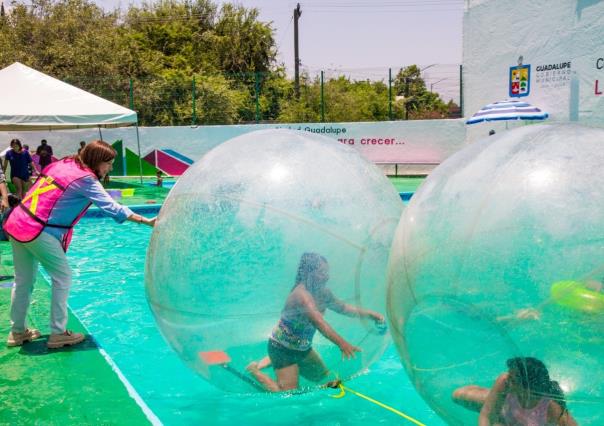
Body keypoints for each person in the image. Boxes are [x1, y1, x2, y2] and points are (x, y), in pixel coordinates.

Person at [4, 140, 156, 349]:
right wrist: (147, 221)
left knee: (23, 281)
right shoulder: (86, 179)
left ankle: (17, 332)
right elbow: (112, 207)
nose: (110, 168)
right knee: (63, 276)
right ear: (97, 161)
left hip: (17, 221)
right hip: (38, 230)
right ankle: (58, 334)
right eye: (108, 163)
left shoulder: (64, 164)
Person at [246, 252, 385, 392]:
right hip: (282, 349)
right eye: (322, 272)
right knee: (289, 393)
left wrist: (371, 314)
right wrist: (343, 344)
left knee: (325, 379)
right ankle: (254, 371)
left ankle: (271, 360)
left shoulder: (323, 293)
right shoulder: (301, 296)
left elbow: (343, 308)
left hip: (303, 348)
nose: (327, 276)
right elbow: (319, 322)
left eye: (327, 272)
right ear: (308, 273)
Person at [452, 357, 577, 426]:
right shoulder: (505, 381)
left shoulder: (551, 405)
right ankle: (491, 395)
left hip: (518, 418)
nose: (508, 379)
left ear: (527, 386)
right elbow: (487, 415)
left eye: (513, 378)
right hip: (504, 408)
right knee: (457, 395)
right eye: (509, 375)